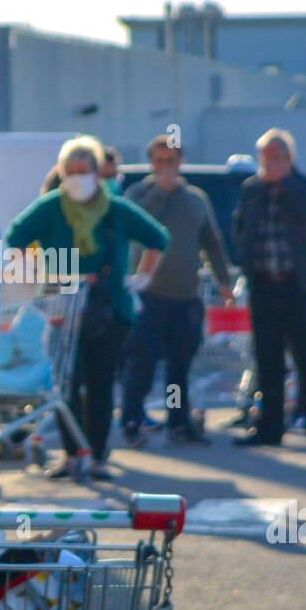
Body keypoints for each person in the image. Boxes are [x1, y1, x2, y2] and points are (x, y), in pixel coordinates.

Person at [6, 136, 169, 480]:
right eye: (72, 171)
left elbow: (158, 238)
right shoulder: (52, 207)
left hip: (108, 311)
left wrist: (142, 278)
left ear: (98, 173)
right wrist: (35, 282)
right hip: (62, 308)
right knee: (65, 384)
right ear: (62, 173)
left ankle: (96, 455)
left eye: (85, 171)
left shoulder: (115, 209)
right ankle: (70, 454)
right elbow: (15, 237)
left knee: (100, 383)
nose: (78, 177)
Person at [121, 135, 233, 446]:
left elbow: (212, 242)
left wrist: (224, 282)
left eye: (171, 161)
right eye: (159, 161)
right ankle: (132, 418)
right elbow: (136, 224)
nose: (166, 167)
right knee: (142, 360)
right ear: (151, 164)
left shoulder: (195, 198)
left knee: (179, 365)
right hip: (148, 295)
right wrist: (160, 191)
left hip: (185, 297)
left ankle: (178, 420)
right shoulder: (138, 193)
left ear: (180, 162)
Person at [230, 128, 306, 448]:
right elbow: (240, 228)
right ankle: (269, 427)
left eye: (275, 157)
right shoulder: (251, 190)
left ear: (289, 159)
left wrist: (284, 183)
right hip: (264, 286)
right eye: (264, 158)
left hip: (299, 286)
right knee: (267, 359)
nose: (268, 164)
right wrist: (246, 263)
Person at [41, 144, 121, 195]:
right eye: (106, 176)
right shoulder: (51, 206)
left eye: (113, 176)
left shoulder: (117, 210)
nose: (109, 181)